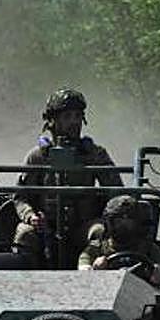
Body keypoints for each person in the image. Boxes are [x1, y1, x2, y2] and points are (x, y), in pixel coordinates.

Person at [13, 87, 123, 263]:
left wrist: (106, 217)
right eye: (67, 117)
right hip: (45, 228)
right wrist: (30, 216)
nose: (74, 122)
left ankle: (88, 270)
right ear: (53, 121)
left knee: (99, 232)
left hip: (83, 227)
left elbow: (117, 194)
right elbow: (20, 196)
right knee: (24, 234)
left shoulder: (95, 155)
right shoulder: (38, 156)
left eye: (78, 116)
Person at [79, 194, 160, 287]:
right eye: (118, 221)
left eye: (128, 222)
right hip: (105, 291)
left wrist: (157, 273)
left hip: (140, 292)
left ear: (137, 224)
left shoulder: (149, 248)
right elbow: (83, 273)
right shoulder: (96, 248)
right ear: (109, 223)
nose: (122, 227)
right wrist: (94, 271)